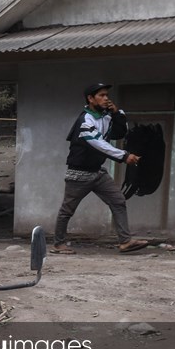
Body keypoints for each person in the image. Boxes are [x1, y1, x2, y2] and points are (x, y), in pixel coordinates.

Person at [52, 83, 149, 255]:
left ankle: (125, 241)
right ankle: (59, 245)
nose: (106, 98)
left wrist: (117, 114)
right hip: (79, 174)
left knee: (118, 200)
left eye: (107, 95)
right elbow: (98, 144)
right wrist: (124, 156)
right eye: (101, 95)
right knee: (67, 210)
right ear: (90, 99)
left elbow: (120, 133)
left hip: (97, 172)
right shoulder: (85, 120)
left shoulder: (105, 117)